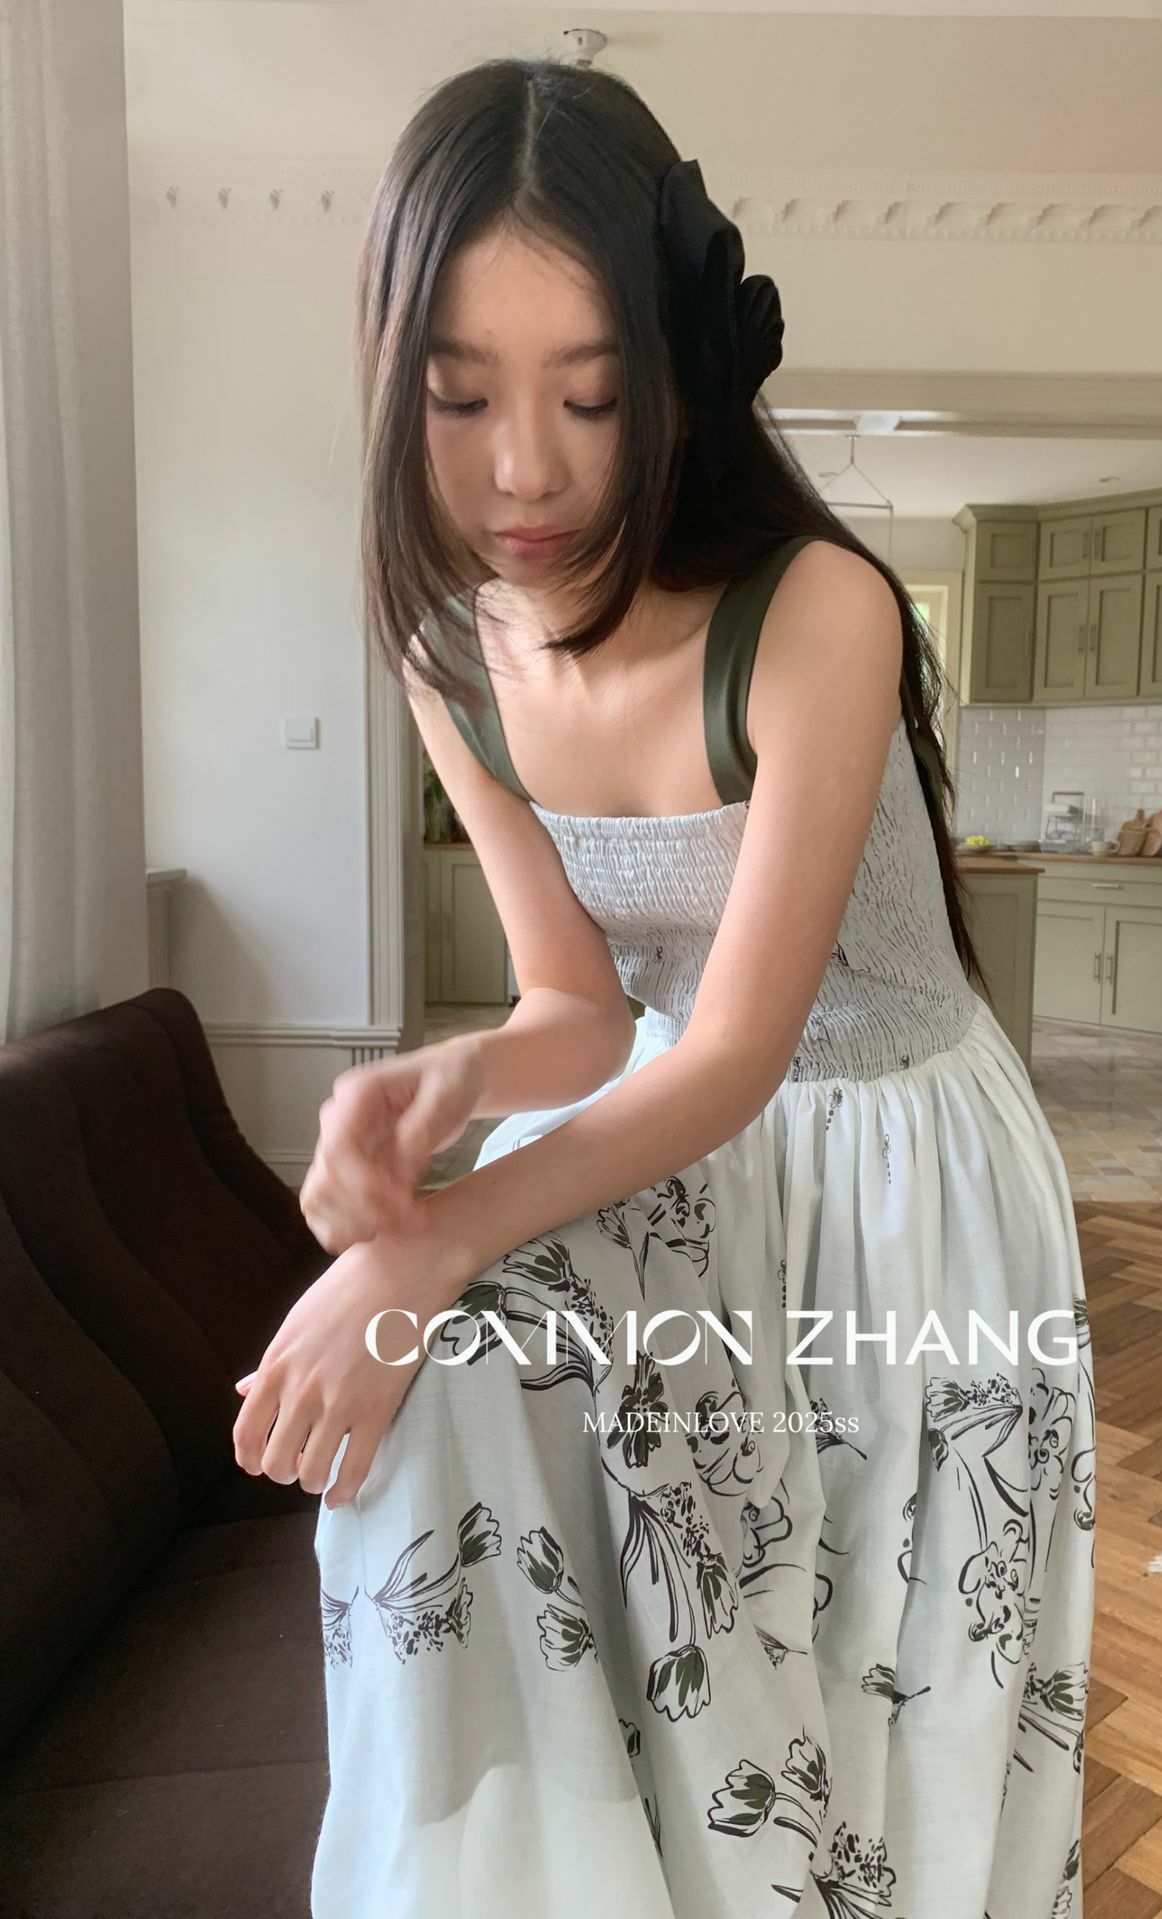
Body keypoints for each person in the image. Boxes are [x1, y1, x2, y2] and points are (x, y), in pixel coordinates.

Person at [231, 53, 1095, 1919]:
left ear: (674, 382)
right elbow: (578, 1004)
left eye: (591, 394)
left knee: (899, 1670)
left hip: (898, 1179)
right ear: (393, 383)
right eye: (460, 394)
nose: (523, 469)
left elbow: (733, 1051)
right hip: (671, 1141)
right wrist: (450, 1085)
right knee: (670, 1637)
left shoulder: (817, 614)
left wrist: (429, 1242)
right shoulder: (443, 647)